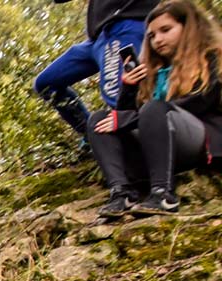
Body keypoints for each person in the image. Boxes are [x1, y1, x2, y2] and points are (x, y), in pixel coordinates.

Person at [87, 0, 222, 216]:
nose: (157, 40)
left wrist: (131, 118)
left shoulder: (213, 57)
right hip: (154, 149)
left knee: (153, 109)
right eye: (151, 35)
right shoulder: (152, 71)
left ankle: (163, 194)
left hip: (197, 142)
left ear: (188, 27)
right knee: (99, 120)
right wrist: (129, 88)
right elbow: (123, 115)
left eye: (165, 30)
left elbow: (200, 102)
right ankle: (122, 193)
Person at [35, 1, 158, 139]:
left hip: (123, 25)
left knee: (118, 100)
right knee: (46, 84)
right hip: (98, 36)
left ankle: (141, 149)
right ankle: (93, 137)